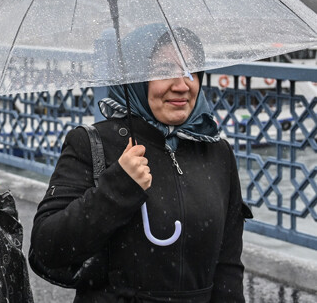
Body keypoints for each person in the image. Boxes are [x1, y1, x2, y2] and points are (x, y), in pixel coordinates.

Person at [29, 25, 250, 302]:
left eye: (191, 70)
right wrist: (117, 187)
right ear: (135, 78)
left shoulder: (217, 152)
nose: (182, 85)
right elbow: (47, 248)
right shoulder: (92, 143)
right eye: (164, 71)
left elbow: (227, 266)